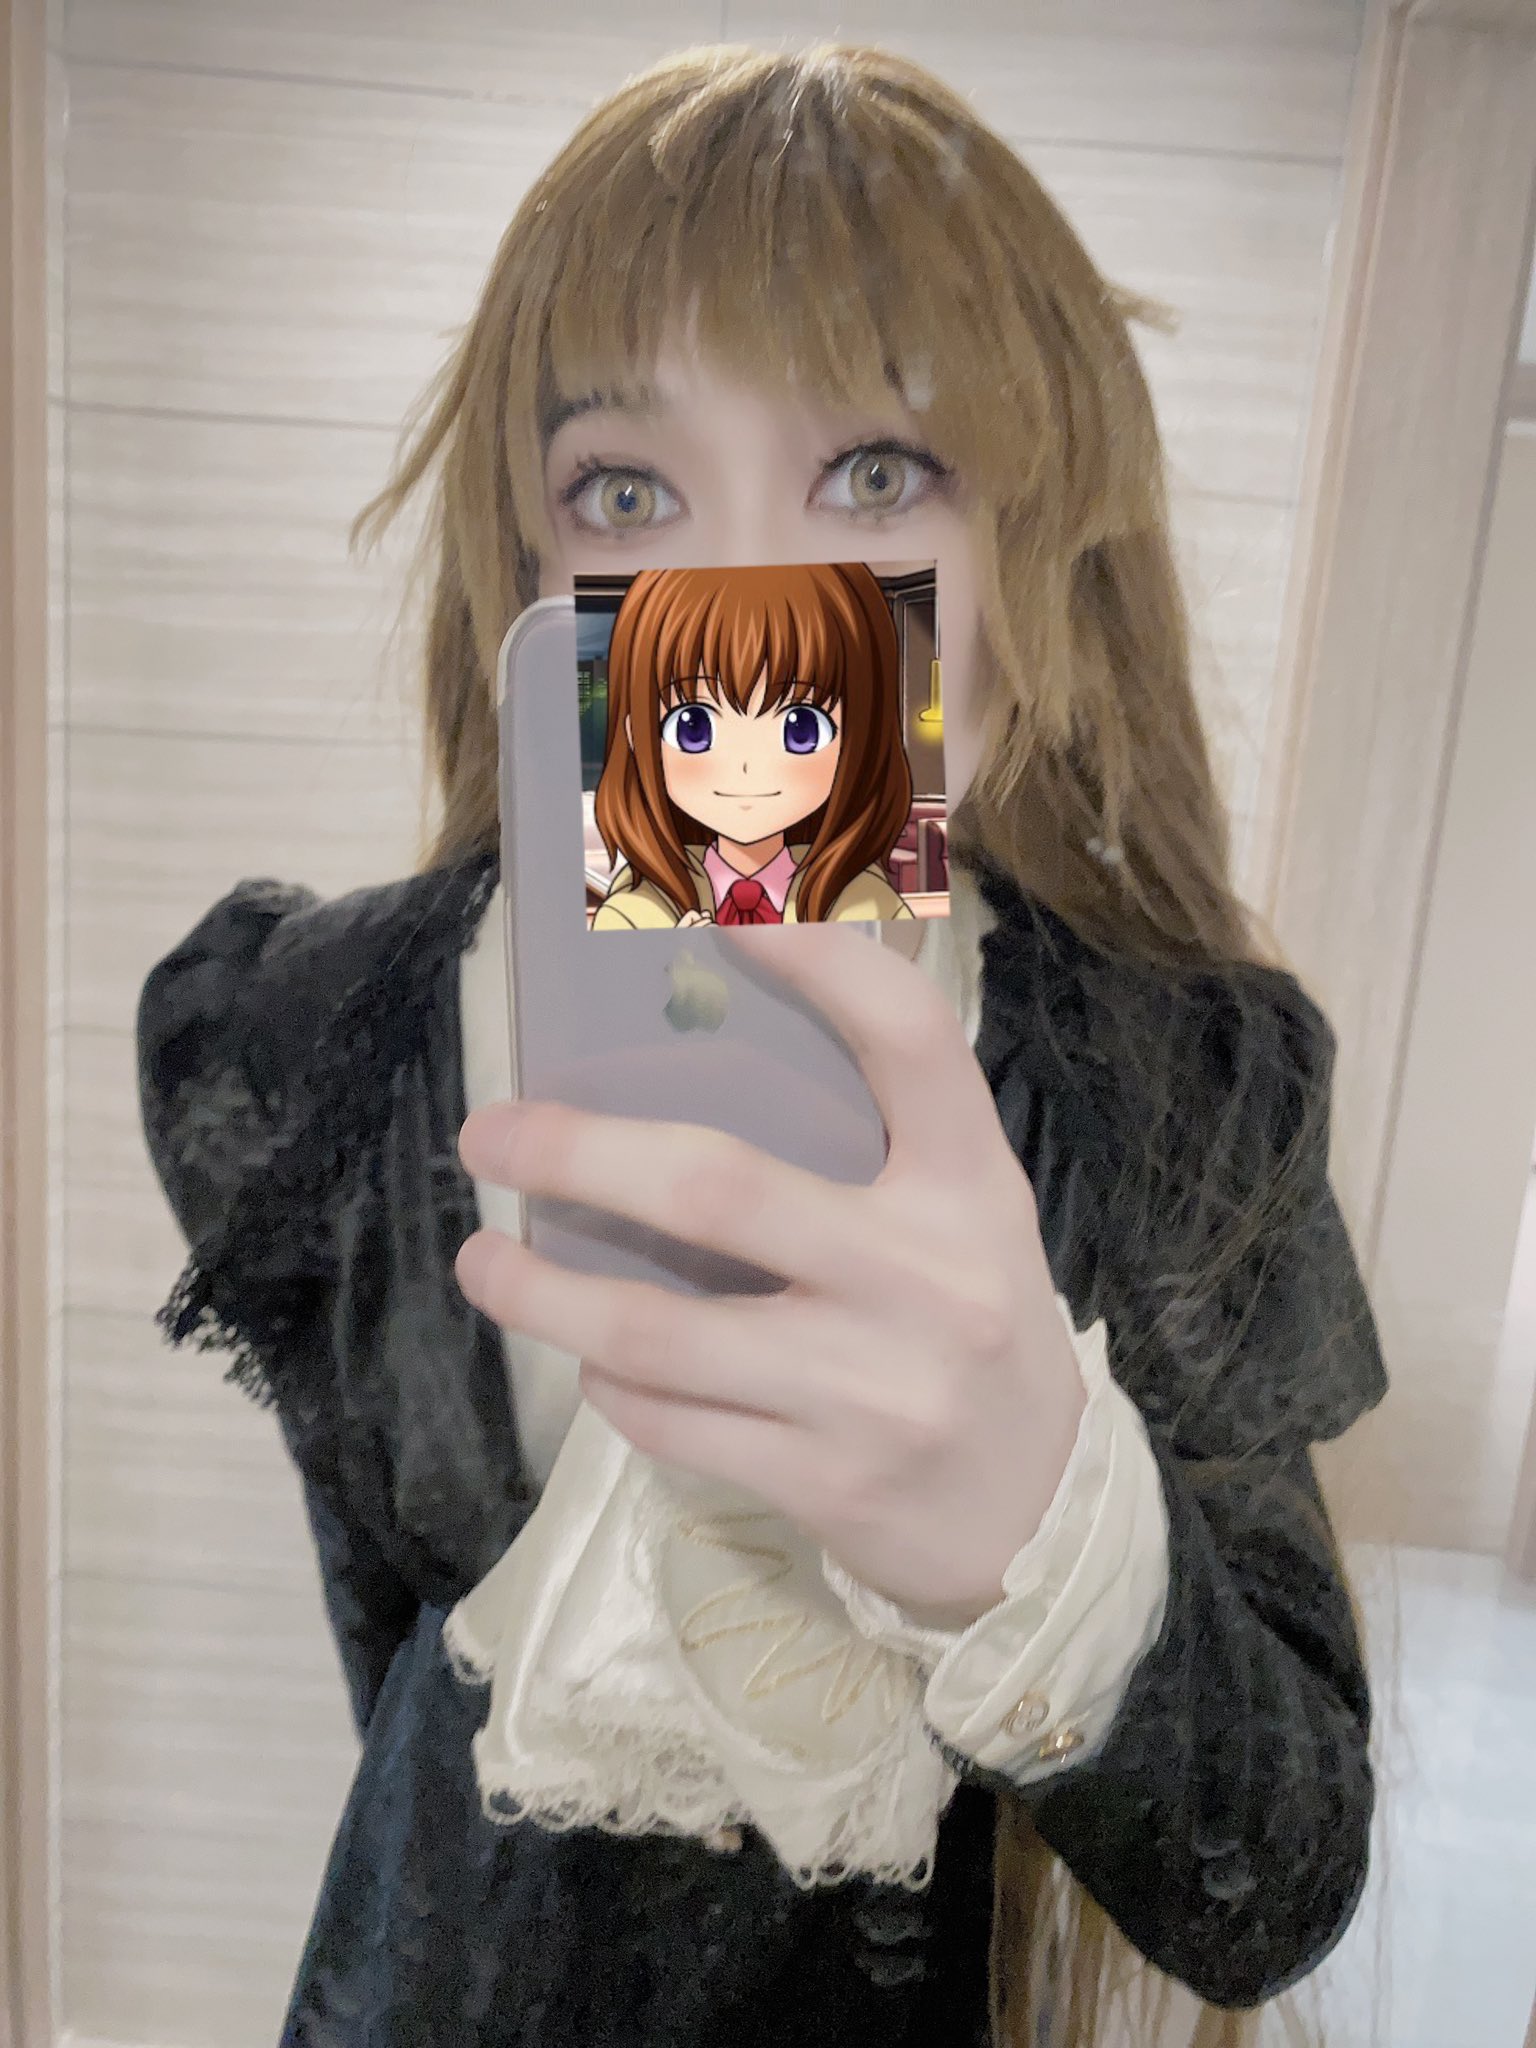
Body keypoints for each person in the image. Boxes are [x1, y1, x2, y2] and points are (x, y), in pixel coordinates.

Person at [135, 40, 1389, 2048]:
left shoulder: (1174, 1084)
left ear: (1032, 558)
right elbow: (400, 1659)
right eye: (626, 490)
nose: (735, 595)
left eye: (878, 472)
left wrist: (1042, 1524)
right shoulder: (308, 1041)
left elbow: (1276, 1886)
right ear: (531, 562)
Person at [589, 561, 917, 929]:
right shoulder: (635, 912)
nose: (746, 767)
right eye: (694, 728)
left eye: (801, 729)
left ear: (859, 737)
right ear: (637, 736)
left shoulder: (867, 903)